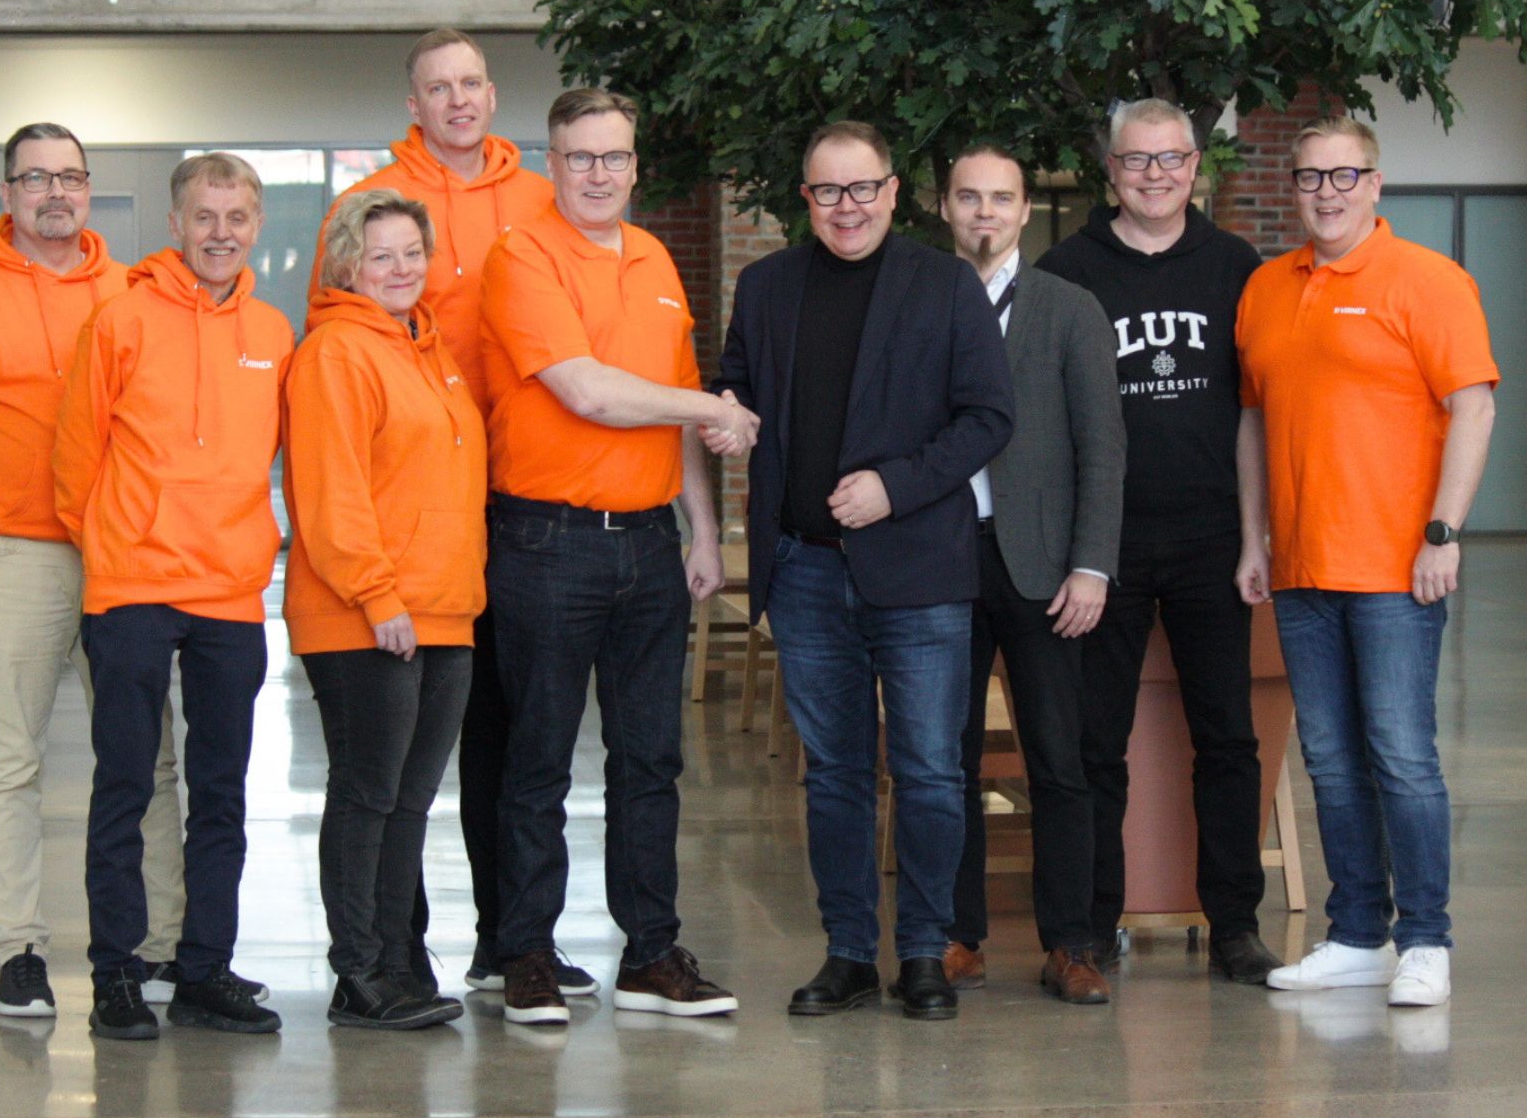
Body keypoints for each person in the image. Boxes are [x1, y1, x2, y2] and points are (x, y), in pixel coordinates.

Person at [714, 121, 1014, 1021]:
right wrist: (727, 413)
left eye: (862, 188)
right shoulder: (767, 286)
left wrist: (896, 486)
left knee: (928, 771)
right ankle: (848, 951)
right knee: (835, 773)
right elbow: (738, 387)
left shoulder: (945, 284)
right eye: (827, 191)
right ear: (806, 199)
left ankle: (923, 951)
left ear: (892, 191)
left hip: (919, 569)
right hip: (805, 570)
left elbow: (989, 415)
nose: (846, 207)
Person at [0, 122, 184, 1019]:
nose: (56, 192)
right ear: (7, 193)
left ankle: (161, 945)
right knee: (10, 757)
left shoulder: (132, 292)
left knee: (149, 755)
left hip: (120, 554)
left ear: (89, 189)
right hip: (12, 553)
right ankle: (18, 948)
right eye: (37, 178)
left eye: (71, 176)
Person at [478, 88, 757, 1026]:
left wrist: (703, 529)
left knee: (650, 761)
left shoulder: (655, 259)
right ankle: (526, 954)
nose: (598, 174)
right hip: (546, 543)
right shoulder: (523, 256)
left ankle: (650, 954)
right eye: (580, 157)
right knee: (539, 761)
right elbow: (589, 392)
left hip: (648, 545)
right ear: (551, 165)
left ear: (636, 166)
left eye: (614, 157)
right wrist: (715, 408)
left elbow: (671, 407)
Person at [313, 28, 560, 997]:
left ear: (491, 95)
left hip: (498, 515)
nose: (457, 100)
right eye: (437, 87)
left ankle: (506, 942)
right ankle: (387, 952)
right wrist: (373, 581)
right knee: (387, 774)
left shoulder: (537, 203)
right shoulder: (366, 223)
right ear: (413, 105)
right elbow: (333, 405)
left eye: (470, 83)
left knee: (487, 743)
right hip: (399, 527)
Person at [1237, 116, 1497, 1009]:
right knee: (1331, 759)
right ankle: (1356, 934)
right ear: (1294, 188)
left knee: (1401, 755)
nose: (1327, 192)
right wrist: (1253, 538)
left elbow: (1474, 407)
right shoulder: (1266, 287)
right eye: (1311, 177)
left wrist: (1443, 533)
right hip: (1301, 569)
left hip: (1395, 568)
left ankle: (1424, 939)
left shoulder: (1428, 280)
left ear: (1375, 184)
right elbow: (1253, 421)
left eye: (1344, 175)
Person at [1038, 97, 1285, 985]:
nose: (1155, 175)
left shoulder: (1236, 267)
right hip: (1101, 548)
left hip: (1211, 540)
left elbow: (1255, 412)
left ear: (1195, 167)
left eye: (1171, 158)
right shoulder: (1066, 271)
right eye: (1137, 160)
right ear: (1110, 170)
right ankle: (1091, 927)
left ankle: (1235, 925)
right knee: (1093, 745)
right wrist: (1071, 551)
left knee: (1227, 740)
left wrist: (1255, 535)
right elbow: (1045, 422)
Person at [54, 153, 296, 1040]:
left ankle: (204, 969)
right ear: (175, 225)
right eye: (204, 216)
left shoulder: (273, 331)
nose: (220, 233)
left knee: (221, 791)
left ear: (255, 226)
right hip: (134, 589)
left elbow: (276, 454)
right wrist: (115, 550)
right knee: (124, 784)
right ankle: (116, 973)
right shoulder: (121, 319)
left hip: (230, 593)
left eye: (236, 217)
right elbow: (75, 456)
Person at [284, 188, 487, 1031]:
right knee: (368, 793)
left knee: (409, 801)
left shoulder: (428, 350)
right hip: (366, 615)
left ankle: (399, 962)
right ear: (346, 265)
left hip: (444, 612)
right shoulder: (336, 351)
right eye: (381, 256)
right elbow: (331, 490)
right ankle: (358, 972)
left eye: (412, 252)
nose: (401, 268)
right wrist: (376, 593)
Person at [937, 143, 1125, 1004]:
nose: (985, 212)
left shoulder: (1069, 307)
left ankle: (1071, 942)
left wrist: (1091, 565)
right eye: (969, 197)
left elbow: (1103, 445)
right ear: (944, 207)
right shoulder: (920, 300)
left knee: (1059, 758)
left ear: (1023, 210)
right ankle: (956, 935)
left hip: (1046, 564)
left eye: (1001, 198)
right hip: (942, 558)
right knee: (946, 759)